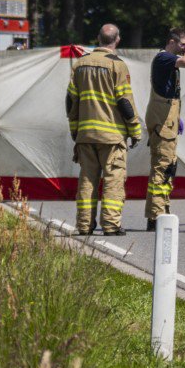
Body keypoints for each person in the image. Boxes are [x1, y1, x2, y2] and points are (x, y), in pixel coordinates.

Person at [66, 24, 141, 236]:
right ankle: (110, 225)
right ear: (117, 40)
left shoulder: (80, 64)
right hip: (111, 136)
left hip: (86, 134)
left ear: (98, 38)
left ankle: (83, 225)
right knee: (113, 180)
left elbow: (71, 102)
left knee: (87, 180)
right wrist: (135, 130)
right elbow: (125, 102)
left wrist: (75, 131)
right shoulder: (117, 65)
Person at [143, 28, 185, 228]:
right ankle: (156, 216)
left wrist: (176, 116)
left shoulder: (168, 60)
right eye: (183, 44)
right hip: (163, 122)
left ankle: (160, 210)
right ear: (172, 42)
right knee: (163, 167)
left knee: (167, 167)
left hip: (168, 119)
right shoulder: (164, 57)